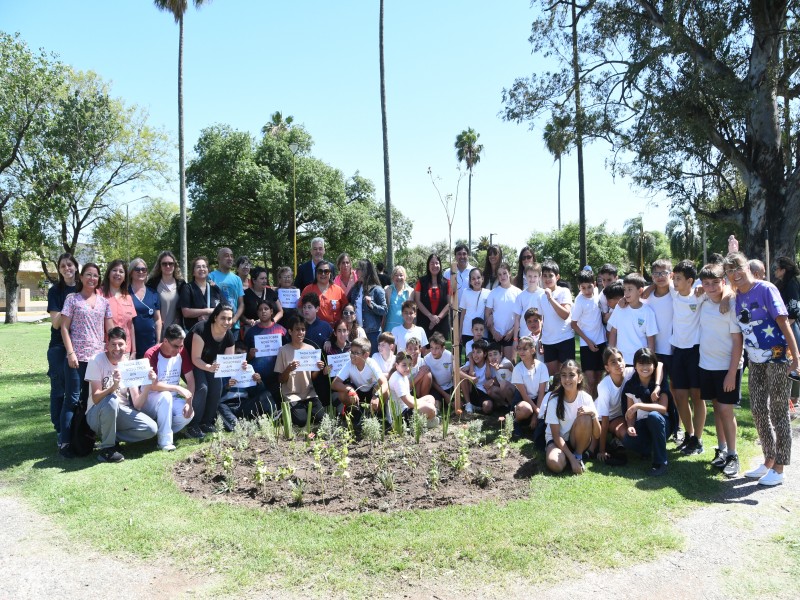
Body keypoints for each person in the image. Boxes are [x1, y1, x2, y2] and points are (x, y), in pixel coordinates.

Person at [725, 252, 800, 486]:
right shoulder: (736, 297)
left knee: (779, 411)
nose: (735, 274)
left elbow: (783, 322)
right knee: (757, 409)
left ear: (747, 267)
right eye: (730, 271)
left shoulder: (766, 289)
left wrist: (796, 357)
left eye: (738, 268)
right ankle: (769, 458)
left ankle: (780, 467)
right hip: (755, 360)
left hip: (778, 358)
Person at [60, 263, 113, 458]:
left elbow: (111, 329)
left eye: (96, 275)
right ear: (81, 277)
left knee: (92, 399)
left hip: (97, 359)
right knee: (72, 400)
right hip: (77, 359)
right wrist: (71, 353)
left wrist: (117, 350)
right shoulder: (72, 299)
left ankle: (86, 439)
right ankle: (65, 442)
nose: (92, 278)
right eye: (88, 275)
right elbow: (64, 327)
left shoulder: (103, 302)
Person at [84, 327, 159, 462]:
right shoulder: (96, 361)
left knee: (151, 429)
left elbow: (137, 403)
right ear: (107, 345)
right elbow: (95, 398)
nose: (117, 348)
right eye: (113, 344)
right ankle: (107, 450)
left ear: (126, 345)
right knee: (112, 400)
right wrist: (114, 387)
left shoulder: (128, 365)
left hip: (121, 411)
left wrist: (149, 384)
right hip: (96, 413)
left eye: (120, 344)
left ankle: (112, 437)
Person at [697, 264, 743, 477]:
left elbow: (737, 342)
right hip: (707, 365)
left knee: (726, 410)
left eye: (716, 282)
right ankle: (722, 450)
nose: (711, 287)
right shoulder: (703, 300)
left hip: (727, 367)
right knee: (717, 408)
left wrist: (731, 373)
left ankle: (733, 455)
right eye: (706, 283)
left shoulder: (731, 304)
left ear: (723, 282)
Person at [665, 261, 705, 454]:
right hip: (677, 351)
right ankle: (689, 435)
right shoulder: (673, 293)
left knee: (697, 396)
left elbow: (726, 291)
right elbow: (648, 288)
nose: (675, 281)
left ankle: (698, 439)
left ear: (690, 281)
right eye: (674, 277)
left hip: (695, 350)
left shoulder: (700, 295)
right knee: (680, 396)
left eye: (679, 278)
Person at [186, 303, 237, 438]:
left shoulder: (229, 335)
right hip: (189, 360)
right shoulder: (201, 329)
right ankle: (192, 424)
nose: (227, 322)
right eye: (223, 318)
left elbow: (228, 361)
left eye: (229, 318)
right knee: (202, 388)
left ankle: (207, 422)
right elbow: (195, 358)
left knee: (216, 387)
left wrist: (240, 366)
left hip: (209, 362)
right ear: (215, 317)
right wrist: (209, 367)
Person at [144, 324, 196, 450]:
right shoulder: (151, 354)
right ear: (165, 341)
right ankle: (165, 441)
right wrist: (177, 388)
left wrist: (189, 402)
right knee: (165, 396)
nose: (179, 350)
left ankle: (160, 431)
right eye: (175, 346)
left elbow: (190, 380)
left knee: (188, 414)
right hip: (150, 398)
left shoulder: (181, 352)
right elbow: (154, 385)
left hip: (171, 398)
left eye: (181, 346)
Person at [544, 360, 600, 475]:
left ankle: (578, 455)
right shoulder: (554, 400)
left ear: (579, 378)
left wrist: (593, 414)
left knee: (585, 417)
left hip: (576, 439)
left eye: (572, 375)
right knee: (555, 464)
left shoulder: (586, 398)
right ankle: (571, 458)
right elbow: (556, 436)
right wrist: (571, 459)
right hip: (557, 440)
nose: (567, 379)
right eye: (564, 375)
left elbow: (597, 434)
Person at [621, 348, 670, 477]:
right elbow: (630, 413)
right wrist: (630, 426)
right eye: (641, 364)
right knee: (628, 440)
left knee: (654, 416)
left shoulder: (660, 383)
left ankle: (660, 462)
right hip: (642, 424)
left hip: (663, 423)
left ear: (654, 366)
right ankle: (649, 449)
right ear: (635, 366)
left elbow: (663, 408)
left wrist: (639, 405)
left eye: (648, 363)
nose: (645, 367)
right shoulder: (631, 385)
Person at [46, 253, 79, 444]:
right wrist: (69, 300)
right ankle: (60, 430)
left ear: (76, 267)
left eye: (70, 265)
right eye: (63, 266)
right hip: (59, 347)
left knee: (78, 391)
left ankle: (77, 428)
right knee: (59, 390)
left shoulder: (85, 287)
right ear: (59, 270)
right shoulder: (55, 291)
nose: (67, 269)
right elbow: (57, 324)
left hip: (81, 346)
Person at [275, 315, 327, 426]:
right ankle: (283, 413)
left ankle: (301, 409)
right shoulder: (283, 350)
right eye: (297, 329)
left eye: (303, 329)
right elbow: (280, 380)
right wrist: (288, 369)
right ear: (290, 331)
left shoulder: (311, 349)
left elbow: (312, 377)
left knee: (319, 417)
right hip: (291, 395)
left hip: (309, 393)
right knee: (301, 420)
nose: (301, 332)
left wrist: (318, 369)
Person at [331, 337, 388, 423]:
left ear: (366, 355)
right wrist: (349, 390)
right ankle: (355, 410)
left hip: (371, 392)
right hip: (357, 393)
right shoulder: (349, 364)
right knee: (342, 392)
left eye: (356, 353)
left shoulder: (372, 363)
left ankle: (376, 413)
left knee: (385, 392)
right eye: (351, 352)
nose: (352, 355)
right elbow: (334, 384)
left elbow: (385, 383)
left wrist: (376, 395)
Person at [571, 269, 607, 397]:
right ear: (579, 287)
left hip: (601, 341)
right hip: (587, 345)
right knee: (590, 380)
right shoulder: (579, 301)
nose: (587, 291)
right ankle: (589, 405)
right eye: (583, 288)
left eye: (589, 287)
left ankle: (597, 407)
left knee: (599, 378)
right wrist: (588, 342)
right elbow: (573, 324)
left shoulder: (598, 294)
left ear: (595, 285)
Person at [595, 347, 634, 464]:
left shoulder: (630, 372)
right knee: (592, 447)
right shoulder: (604, 385)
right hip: (600, 418)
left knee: (625, 434)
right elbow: (605, 418)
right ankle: (604, 444)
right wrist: (602, 451)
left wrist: (657, 386)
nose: (618, 364)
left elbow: (658, 364)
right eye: (613, 362)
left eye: (620, 360)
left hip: (618, 417)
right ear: (607, 368)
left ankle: (615, 440)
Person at [608, 273, 658, 365]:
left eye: (630, 289)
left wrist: (650, 360)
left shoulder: (648, 312)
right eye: (625, 289)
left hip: (640, 360)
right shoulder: (619, 308)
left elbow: (650, 338)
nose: (626, 293)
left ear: (640, 291)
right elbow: (613, 331)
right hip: (621, 360)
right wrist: (610, 354)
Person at [243, 299, 287, 401]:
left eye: (266, 309)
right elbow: (244, 359)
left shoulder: (281, 330)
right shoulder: (251, 332)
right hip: (257, 377)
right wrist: (250, 355)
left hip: (277, 376)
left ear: (271, 311)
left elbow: (288, 352)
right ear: (257, 313)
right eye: (260, 310)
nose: (263, 311)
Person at [538, 260, 575, 375]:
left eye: (551, 276)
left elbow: (565, 314)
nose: (547, 279)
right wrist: (540, 337)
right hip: (548, 341)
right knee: (553, 377)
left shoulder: (564, 291)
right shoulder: (540, 296)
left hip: (565, 338)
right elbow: (542, 319)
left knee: (567, 373)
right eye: (545, 276)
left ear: (557, 277)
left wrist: (551, 298)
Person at [773, 255, 800, 411]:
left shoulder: (791, 284)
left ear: (784, 270)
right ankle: (785, 395)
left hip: (791, 326)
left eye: (777, 268)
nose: (775, 271)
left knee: (793, 360)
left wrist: (784, 327)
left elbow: (794, 309)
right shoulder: (781, 283)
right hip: (783, 326)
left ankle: (794, 398)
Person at [511, 335, 550, 439]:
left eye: (525, 349)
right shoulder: (518, 369)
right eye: (519, 349)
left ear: (533, 350)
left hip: (539, 400)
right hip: (524, 400)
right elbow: (524, 395)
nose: (521, 351)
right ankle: (516, 422)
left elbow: (542, 393)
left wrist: (535, 415)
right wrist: (536, 412)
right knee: (525, 408)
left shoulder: (542, 367)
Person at [388, 351, 439, 427]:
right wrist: (426, 405)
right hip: (400, 416)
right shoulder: (397, 379)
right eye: (404, 365)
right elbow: (409, 403)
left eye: (410, 365)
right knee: (430, 408)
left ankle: (427, 419)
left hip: (407, 408)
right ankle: (424, 423)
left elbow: (410, 399)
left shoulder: (403, 375)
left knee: (430, 398)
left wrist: (424, 403)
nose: (408, 368)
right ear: (396, 365)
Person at [485, 263, 522, 361]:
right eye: (500, 274)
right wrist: (493, 331)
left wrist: (512, 331)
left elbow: (521, 316)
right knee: (496, 366)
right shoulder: (493, 293)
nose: (502, 276)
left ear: (509, 274)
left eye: (504, 273)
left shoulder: (518, 293)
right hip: (495, 335)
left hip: (510, 335)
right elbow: (487, 313)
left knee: (509, 364)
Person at [100, 260, 136, 358]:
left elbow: (130, 325)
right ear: (108, 274)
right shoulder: (99, 294)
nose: (117, 273)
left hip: (125, 350)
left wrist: (134, 350)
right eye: (114, 270)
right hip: (105, 350)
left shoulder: (128, 297)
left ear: (125, 277)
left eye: (121, 271)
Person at [348, 259, 387, 351]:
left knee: (371, 360)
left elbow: (384, 310)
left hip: (372, 333)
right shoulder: (355, 288)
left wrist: (371, 305)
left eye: (358, 269)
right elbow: (349, 304)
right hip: (357, 331)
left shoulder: (377, 289)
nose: (356, 271)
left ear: (365, 271)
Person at [129, 257, 162, 359]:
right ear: (131, 272)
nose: (141, 272)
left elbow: (157, 319)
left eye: (144, 269)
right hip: (131, 342)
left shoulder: (153, 293)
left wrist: (158, 341)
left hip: (150, 341)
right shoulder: (125, 292)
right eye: (137, 269)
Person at [147, 250, 185, 337]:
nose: (168, 266)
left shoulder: (181, 284)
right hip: (157, 331)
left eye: (170, 263)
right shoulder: (152, 284)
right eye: (164, 264)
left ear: (174, 265)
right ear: (160, 266)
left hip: (176, 332)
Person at [179, 256, 223, 331]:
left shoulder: (215, 288)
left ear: (208, 270)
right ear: (193, 272)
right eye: (198, 267)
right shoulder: (187, 288)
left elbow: (224, 307)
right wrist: (208, 311)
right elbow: (186, 312)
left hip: (214, 332)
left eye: (204, 266)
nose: (202, 269)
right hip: (194, 332)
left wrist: (211, 315)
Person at [209, 248, 245, 335]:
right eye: (226, 256)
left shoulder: (237, 279)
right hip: (216, 326)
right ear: (219, 259)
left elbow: (241, 304)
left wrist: (234, 319)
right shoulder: (210, 276)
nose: (230, 258)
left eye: (231, 256)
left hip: (233, 326)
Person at [414, 253, 451, 338]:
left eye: (437, 263)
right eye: (432, 263)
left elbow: (449, 303)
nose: (435, 265)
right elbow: (418, 301)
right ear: (428, 265)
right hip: (424, 322)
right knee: (424, 349)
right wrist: (430, 316)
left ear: (440, 265)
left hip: (441, 323)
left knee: (439, 349)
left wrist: (437, 318)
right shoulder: (421, 282)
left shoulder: (447, 283)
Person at [302, 260, 346, 325]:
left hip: (334, 331)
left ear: (330, 273)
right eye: (320, 271)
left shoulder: (339, 290)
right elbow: (300, 308)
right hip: (313, 329)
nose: (323, 274)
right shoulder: (308, 289)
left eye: (326, 271)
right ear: (316, 273)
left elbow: (346, 309)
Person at [242, 266, 282, 331]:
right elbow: (241, 315)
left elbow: (280, 311)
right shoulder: (245, 294)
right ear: (254, 280)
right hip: (252, 330)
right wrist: (249, 321)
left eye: (266, 278)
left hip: (271, 329)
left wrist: (273, 321)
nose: (265, 281)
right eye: (262, 278)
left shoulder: (271, 292)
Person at [512, 263, 545, 341]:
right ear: (525, 276)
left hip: (542, 336)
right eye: (529, 276)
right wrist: (515, 339)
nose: (532, 279)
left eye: (535, 276)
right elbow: (517, 318)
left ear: (539, 277)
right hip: (524, 336)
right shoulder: (520, 296)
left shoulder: (544, 294)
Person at [458, 268, 490, 346]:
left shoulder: (488, 293)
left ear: (482, 278)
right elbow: (462, 314)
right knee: (469, 356)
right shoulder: (466, 292)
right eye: (473, 279)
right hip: (467, 332)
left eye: (478, 278)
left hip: (482, 332)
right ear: (470, 281)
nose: (476, 281)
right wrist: (460, 332)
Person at [423, 332, 455, 406]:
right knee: (437, 405)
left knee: (456, 405)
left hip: (449, 386)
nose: (433, 351)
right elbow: (432, 381)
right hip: (436, 388)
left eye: (437, 348)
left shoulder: (449, 356)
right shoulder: (426, 359)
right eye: (431, 347)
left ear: (443, 348)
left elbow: (455, 372)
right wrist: (445, 395)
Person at [460, 338, 491, 414]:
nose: (475, 355)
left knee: (488, 407)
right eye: (473, 352)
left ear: (485, 354)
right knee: (463, 375)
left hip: (484, 393)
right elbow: (456, 371)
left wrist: (492, 380)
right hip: (472, 391)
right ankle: (468, 404)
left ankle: (477, 408)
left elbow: (495, 377)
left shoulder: (489, 365)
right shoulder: (470, 364)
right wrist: (470, 378)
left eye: (478, 352)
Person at [383, 265, 413, 333]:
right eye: (396, 275)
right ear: (392, 277)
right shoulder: (387, 289)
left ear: (405, 277)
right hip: (389, 327)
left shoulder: (411, 291)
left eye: (401, 275)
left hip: (405, 328)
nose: (398, 277)